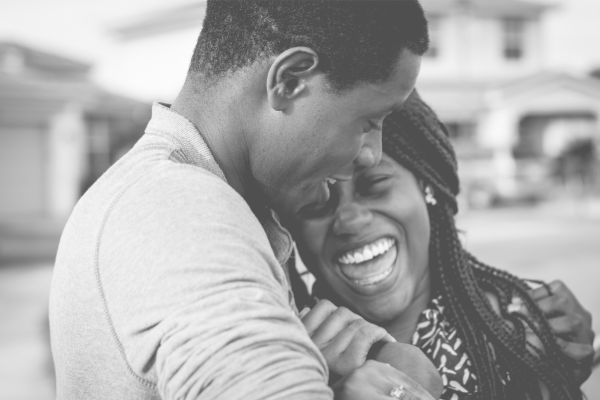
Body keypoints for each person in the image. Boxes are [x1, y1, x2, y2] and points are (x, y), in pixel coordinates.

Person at [49, 1, 434, 399]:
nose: (371, 153)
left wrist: (379, 359)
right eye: (369, 123)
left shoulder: (165, 196)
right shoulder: (182, 215)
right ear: (289, 81)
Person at [287, 91, 595, 400]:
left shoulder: (518, 339)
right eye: (318, 199)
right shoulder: (282, 354)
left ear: (428, 188)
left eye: (375, 185)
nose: (349, 220)